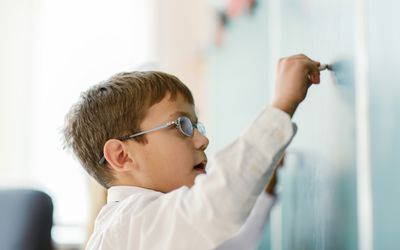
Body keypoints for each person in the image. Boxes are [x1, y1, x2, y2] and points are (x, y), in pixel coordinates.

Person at [63, 54, 322, 250]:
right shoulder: (128, 225)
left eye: (196, 126)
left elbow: (229, 240)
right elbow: (217, 207)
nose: (202, 139)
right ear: (122, 156)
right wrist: (281, 106)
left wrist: (267, 180)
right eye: (182, 126)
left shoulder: (149, 225)